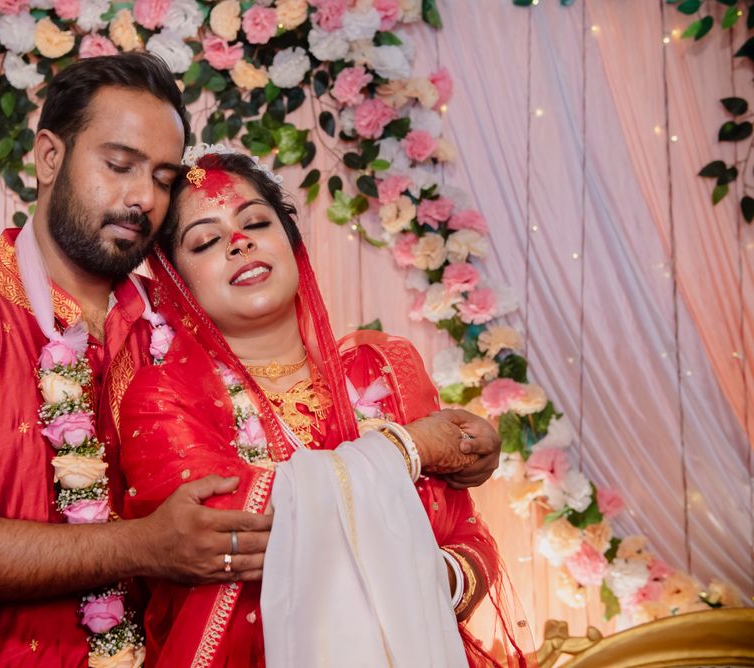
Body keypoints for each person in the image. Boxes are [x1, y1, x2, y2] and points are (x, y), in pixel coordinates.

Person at [0, 54, 501, 666]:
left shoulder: (179, 320)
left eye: (162, 177)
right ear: (50, 155)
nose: (143, 198)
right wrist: (144, 546)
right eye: (120, 164)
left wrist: (449, 451)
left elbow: (300, 471)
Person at [112, 148, 528, 667]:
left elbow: (462, 534)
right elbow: (234, 535)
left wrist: (421, 587)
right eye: (207, 240)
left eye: (255, 223)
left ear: (290, 241)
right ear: (179, 283)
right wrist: (410, 447)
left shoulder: (382, 367)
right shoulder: (165, 399)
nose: (239, 244)